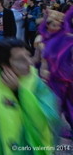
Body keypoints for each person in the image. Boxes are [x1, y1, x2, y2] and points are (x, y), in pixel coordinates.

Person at [38, 8, 73, 139]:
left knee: (69, 105)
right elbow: (40, 60)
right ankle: (53, 129)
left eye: (59, 25)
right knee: (55, 104)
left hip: (67, 77)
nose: (56, 27)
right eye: (53, 25)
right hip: (53, 78)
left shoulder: (68, 39)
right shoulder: (42, 41)